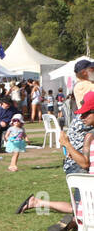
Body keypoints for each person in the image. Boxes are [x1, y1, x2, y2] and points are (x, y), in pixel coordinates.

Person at [17, 88, 94, 220]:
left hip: (77, 164)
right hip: (79, 168)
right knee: (79, 208)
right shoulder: (87, 131)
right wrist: (67, 145)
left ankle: (37, 202)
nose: (81, 117)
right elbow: (84, 162)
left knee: (79, 208)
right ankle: (37, 203)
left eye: (86, 113)